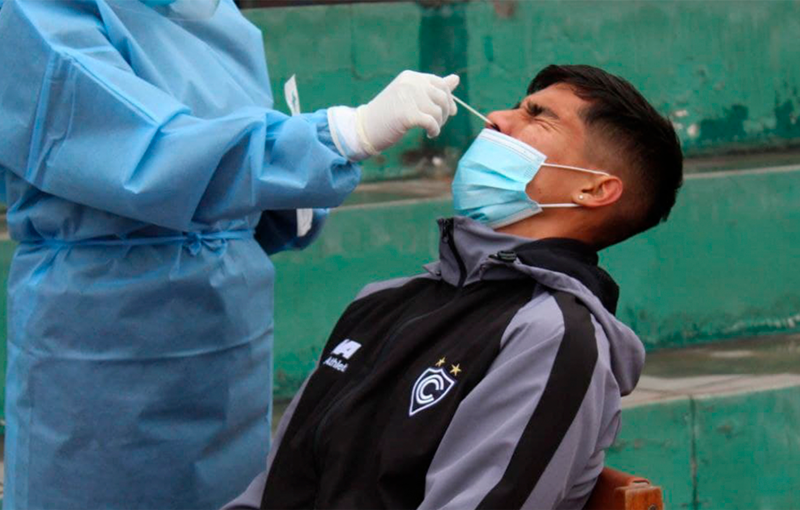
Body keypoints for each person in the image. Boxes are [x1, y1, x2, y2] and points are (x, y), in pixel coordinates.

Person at [0, 0, 459, 509]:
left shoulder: (215, 19)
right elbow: (155, 154)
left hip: (229, 338)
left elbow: (233, 181)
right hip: (107, 345)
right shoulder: (50, 21)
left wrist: (292, 194)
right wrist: (340, 135)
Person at [223, 64, 684, 510]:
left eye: (538, 116)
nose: (498, 119)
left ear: (594, 190)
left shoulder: (548, 334)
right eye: (517, 107)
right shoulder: (380, 301)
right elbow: (273, 488)